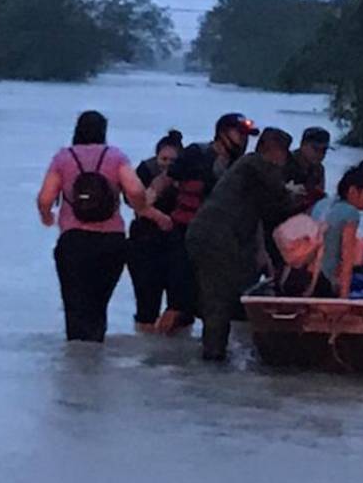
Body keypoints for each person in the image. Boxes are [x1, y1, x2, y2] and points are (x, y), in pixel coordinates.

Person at [37, 111, 170, 342]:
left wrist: (47, 217)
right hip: (111, 243)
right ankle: (96, 359)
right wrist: (146, 211)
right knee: (98, 306)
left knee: (75, 306)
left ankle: (75, 365)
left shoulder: (63, 158)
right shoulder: (115, 157)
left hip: (73, 242)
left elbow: (45, 198)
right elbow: (136, 191)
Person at [186, 128, 296, 361]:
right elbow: (281, 197)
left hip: (216, 235)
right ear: (275, 151)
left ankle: (216, 350)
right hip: (216, 237)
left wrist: (261, 250)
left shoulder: (247, 170)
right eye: (284, 154)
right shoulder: (254, 164)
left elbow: (257, 211)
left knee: (222, 294)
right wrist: (294, 193)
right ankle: (213, 355)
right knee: (218, 297)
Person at [160, 113, 260, 331]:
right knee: (178, 303)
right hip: (184, 236)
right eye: (239, 134)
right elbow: (166, 180)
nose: (243, 140)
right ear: (222, 133)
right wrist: (146, 206)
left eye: (246, 136)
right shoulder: (196, 153)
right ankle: (157, 352)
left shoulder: (242, 166)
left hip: (219, 243)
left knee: (213, 303)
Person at [127, 129, 190, 333]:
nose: (167, 164)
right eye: (163, 159)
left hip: (178, 243)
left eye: (172, 160)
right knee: (146, 305)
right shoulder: (145, 170)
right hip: (145, 242)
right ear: (156, 157)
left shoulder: (188, 173)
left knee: (180, 306)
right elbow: (135, 203)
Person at [315, 161, 363, 298]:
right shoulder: (350, 213)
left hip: (307, 277)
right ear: (353, 191)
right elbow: (347, 259)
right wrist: (344, 299)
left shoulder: (322, 203)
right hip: (324, 281)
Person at [282, 126, 331, 215]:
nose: (320, 154)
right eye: (315, 149)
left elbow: (319, 195)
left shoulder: (319, 169)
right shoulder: (285, 162)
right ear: (302, 145)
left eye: (323, 151)